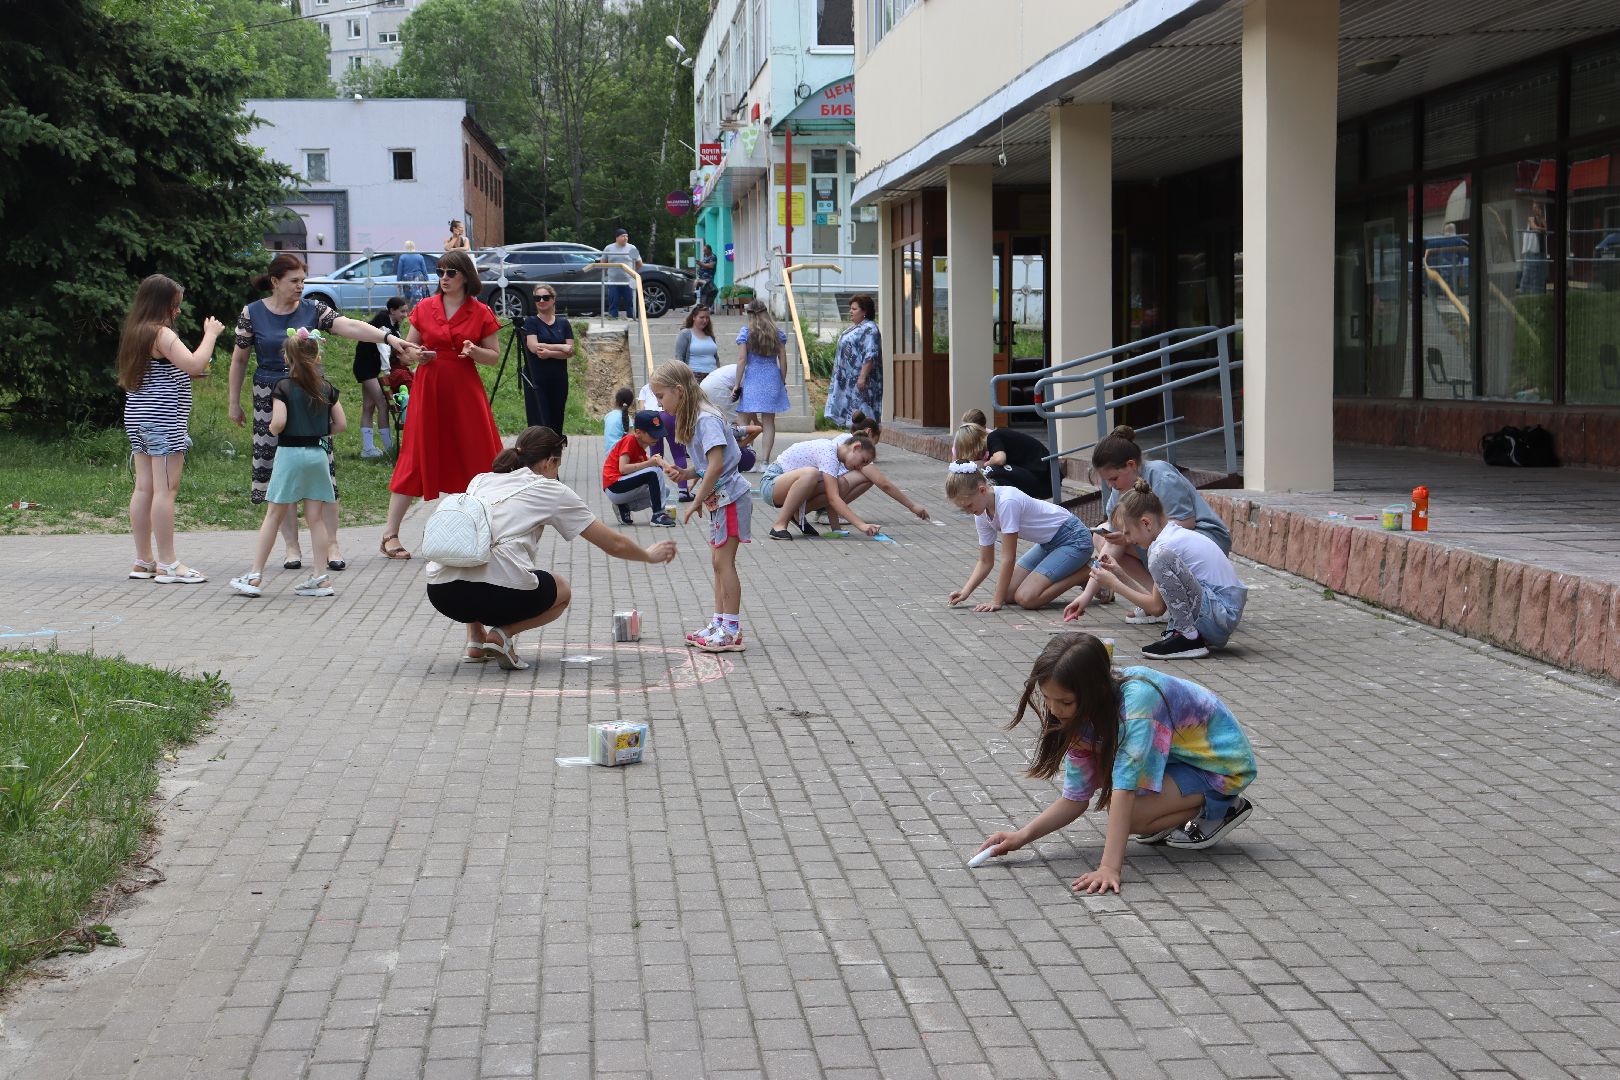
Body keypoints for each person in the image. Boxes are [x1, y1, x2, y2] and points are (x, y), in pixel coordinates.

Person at [974, 634, 1259, 894]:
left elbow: (1125, 788)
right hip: (1177, 759)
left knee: (1127, 813)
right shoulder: (1083, 713)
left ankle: (1222, 808)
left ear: (1094, 690)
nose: (1054, 709)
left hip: (1219, 766)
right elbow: (1075, 798)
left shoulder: (1138, 706)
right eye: (1047, 698)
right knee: (1126, 814)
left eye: (1065, 701)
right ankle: (1167, 809)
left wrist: (1109, 868)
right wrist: (1020, 837)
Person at [426, 426, 678, 669]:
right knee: (562, 590)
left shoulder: (480, 480)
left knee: (477, 554)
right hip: (496, 597)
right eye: (558, 464)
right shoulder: (550, 489)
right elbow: (613, 543)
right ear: (549, 462)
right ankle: (502, 636)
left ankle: (476, 641)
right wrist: (647, 555)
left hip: (441, 593)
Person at [230, 253, 422, 571]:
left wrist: (388, 338)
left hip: (309, 396)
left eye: (303, 281)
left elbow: (348, 326)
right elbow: (238, 360)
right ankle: (292, 548)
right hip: (269, 397)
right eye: (294, 281)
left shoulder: (313, 309)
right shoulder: (252, 313)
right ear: (275, 281)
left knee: (324, 472)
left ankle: (332, 544)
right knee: (280, 474)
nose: (300, 287)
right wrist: (234, 403)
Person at [379, 249, 504, 560]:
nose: (444, 278)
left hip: (464, 390)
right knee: (415, 455)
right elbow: (406, 350)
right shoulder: (424, 307)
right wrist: (415, 355)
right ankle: (389, 535)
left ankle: (483, 530)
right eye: (440, 272)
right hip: (430, 387)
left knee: (476, 455)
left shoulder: (481, 312)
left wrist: (474, 350)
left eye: (451, 273)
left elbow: (493, 356)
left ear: (466, 276)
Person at [1066, 425, 1231, 623]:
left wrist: (1128, 538)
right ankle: (1157, 600)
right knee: (1104, 541)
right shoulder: (1120, 490)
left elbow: (1186, 523)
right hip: (1170, 542)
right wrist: (1086, 596)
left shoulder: (1161, 476)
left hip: (1205, 539)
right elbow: (1112, 542)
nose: (1111, 486)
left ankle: (1165, 602)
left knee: (1130, 544)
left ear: (1131, 465)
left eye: (1113, 478)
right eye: (1107, 481)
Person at [117, 274, 222, 585]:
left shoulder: (136, 331)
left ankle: (143, 561)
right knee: (166, 491)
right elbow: (194, 364)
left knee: (144, 488)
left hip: (138, 418)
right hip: (163, 423)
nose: (178, 311)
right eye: (175, 305)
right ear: (161, 304)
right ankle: (168, 564)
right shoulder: (161, 333)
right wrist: (211, 334)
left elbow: (167, 369)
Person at [1067, 481, 1248, 660]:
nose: (1127, 540)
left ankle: (1189, 639)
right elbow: (1157, 601)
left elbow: (1155, 609)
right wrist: (1119, 574)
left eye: (1128, 532)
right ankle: (1187, 635)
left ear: (1146, 523)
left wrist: (1113, 583)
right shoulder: (1170, 536)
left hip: (1220, 613)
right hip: (1219, 613)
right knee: (1159, 559)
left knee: (1158, 557)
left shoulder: (1162, 548)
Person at [229, 329, 347, 600]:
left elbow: (279, 423)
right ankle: (320, 577)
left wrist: (271, 428)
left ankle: (255, 575)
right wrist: (317, 429)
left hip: (290, 455)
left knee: (274, 515)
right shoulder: (326, 387)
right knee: (315, 518)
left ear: (288, 358)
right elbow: (341, 424)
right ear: (316, 356)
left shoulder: (282, 386)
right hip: (317, 455)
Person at [652, 359, 751, 653]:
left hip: (730, 497)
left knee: (724, 563)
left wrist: (696, 500)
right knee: (717, 564)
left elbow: (718, 464)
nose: (659, 404)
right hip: (720, 499)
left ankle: (731, 630)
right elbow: (707, 463)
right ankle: (719, 622)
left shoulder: (705, 419)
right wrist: (686, 474)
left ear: (679, 391)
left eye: (661, 396)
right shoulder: (695, 416)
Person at [945, 461, 1092, 612]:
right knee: (1008, 594)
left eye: (968, 505)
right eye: (963, 508)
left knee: (1026, 598)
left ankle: (1087, 572)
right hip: (1048, 543)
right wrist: (966, 591)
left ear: (982, 490)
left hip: (1074, 539)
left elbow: (1008, 558)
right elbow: (985, 561)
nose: (968, 511)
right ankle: (1081, 572)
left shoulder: (1007, 502)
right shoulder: (980, 512)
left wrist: (996, 601)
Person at [761, 436, 880, 540]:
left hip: (783, 485)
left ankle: (796, 514)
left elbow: (833, 495)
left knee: (841, 484)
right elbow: (833, 498)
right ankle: (779, 525)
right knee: (811, 474)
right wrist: (861, 525)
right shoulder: (828, 452)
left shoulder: (834, 457)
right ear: (856, 447)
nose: (860, 467)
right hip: (771, 484)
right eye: (863, 461)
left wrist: (836, 529)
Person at [822, 412, 932, 526]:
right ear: (868, 432)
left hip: (822, 489)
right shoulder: (858, 448)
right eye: (874, 444)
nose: (872, 450)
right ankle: (830, 510)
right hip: (826, 492)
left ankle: (830, 509)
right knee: (869, 477)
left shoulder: (844, 439)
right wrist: (912, 506)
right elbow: (884, 484)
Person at [734, 299, 789, 467]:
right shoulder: (776, 333)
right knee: (769, 421)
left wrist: (737, 384)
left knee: (744, 418)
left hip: (753, 379)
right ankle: (765, 461)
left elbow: (742, 359)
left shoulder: (746, 333)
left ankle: (748, 458)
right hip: (772, 377)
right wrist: (782, 381)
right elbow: (783, 359)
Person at [953, 409, 1054, 500]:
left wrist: (986, 464)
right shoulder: (994, 437)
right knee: (991, 470)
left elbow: (1000, 459)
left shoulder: (993, 437)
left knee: (991, 471)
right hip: (1042, 478)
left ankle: (1003, 503)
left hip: (1045, 482)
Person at [353, 297, 409, 458]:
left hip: (372, 367)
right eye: (402, 311)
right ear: (392, 310)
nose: (405, 315)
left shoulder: (393, 324)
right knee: (383, 404)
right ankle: (389, 447)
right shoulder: (383, 322)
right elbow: (384, 349)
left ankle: (368, 449)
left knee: (369, 406)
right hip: (366, 368)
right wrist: (387, 372)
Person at [602, 410, 679, 527]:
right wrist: (649, 463)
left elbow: (648, 464)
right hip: (614, 486)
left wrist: (667, 466)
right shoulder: (629, 440)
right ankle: (658, 514)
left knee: (664, 490)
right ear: (638, 432)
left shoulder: (641, 448)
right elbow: (623, 469)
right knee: (654, 472)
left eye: (659, 433)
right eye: (653, 434)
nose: (657, 437)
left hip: (623, 489)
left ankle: (624, 507)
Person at [824, 294, 883, 427]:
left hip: (861, 382)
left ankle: (865, 443)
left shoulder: (870, 329)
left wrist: (862, 377)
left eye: (854, 309)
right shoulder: (855, 327)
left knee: (863, 415)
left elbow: (871, 354)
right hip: (850, 381)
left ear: (865, 311)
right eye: (851, 308)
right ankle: (857, 441)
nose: (850, 311)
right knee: (854, 419)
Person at [522, 284, 574, 432]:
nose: (541, 300)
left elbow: (570, 351)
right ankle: (538, 453)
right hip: (537, 381)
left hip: (558, 379)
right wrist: (560, 347)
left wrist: (550, 353)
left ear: (553, 299)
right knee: (539, 422)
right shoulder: (531, 322)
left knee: (557, 419)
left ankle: (555, 453)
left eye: (546, 297)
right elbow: (534, 347)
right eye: (537, 298)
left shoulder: (563, 323)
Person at [602, 227, 642, 319]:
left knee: (630, 302)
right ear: (617, 237)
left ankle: (632, 319)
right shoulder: (609, 248)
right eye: (623, 236)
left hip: (628, 282)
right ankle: (613, 319)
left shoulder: (632, 248)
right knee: (613, 302)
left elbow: (639, 263)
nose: (625, 238)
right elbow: (603, 263)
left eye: (627, 236)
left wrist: (632, 273)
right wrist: (608, 273)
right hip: (613, 281)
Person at [675, 305, 721, 376]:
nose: (705, 320)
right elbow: (679, 358)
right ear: (694, 317)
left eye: (707, 318)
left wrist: (718, 372)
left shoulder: (710, 335)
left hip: (713, 375)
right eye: (701, 317)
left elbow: (716, 358)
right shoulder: (685, 334)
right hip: (694, 376)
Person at [602, 387, 635, 458]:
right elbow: (631, 440)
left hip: (609, 454)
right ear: (630, 403)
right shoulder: (627, 419)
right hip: (621, 455)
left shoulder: (608, 416)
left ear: (615, 401)